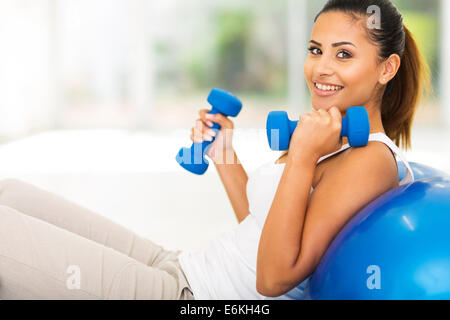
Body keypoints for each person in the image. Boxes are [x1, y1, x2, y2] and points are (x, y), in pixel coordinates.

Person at [0, 0, 431, 299]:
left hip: (188, 295)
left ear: (386, 68)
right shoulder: (329, 137)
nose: (321, 68)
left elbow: (273, 277)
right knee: (11, 193)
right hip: (180, 264)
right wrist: (224, 151)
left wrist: (301, 156)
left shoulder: (370, 160)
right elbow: (261, 223)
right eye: (316, 50)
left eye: (344, 55)